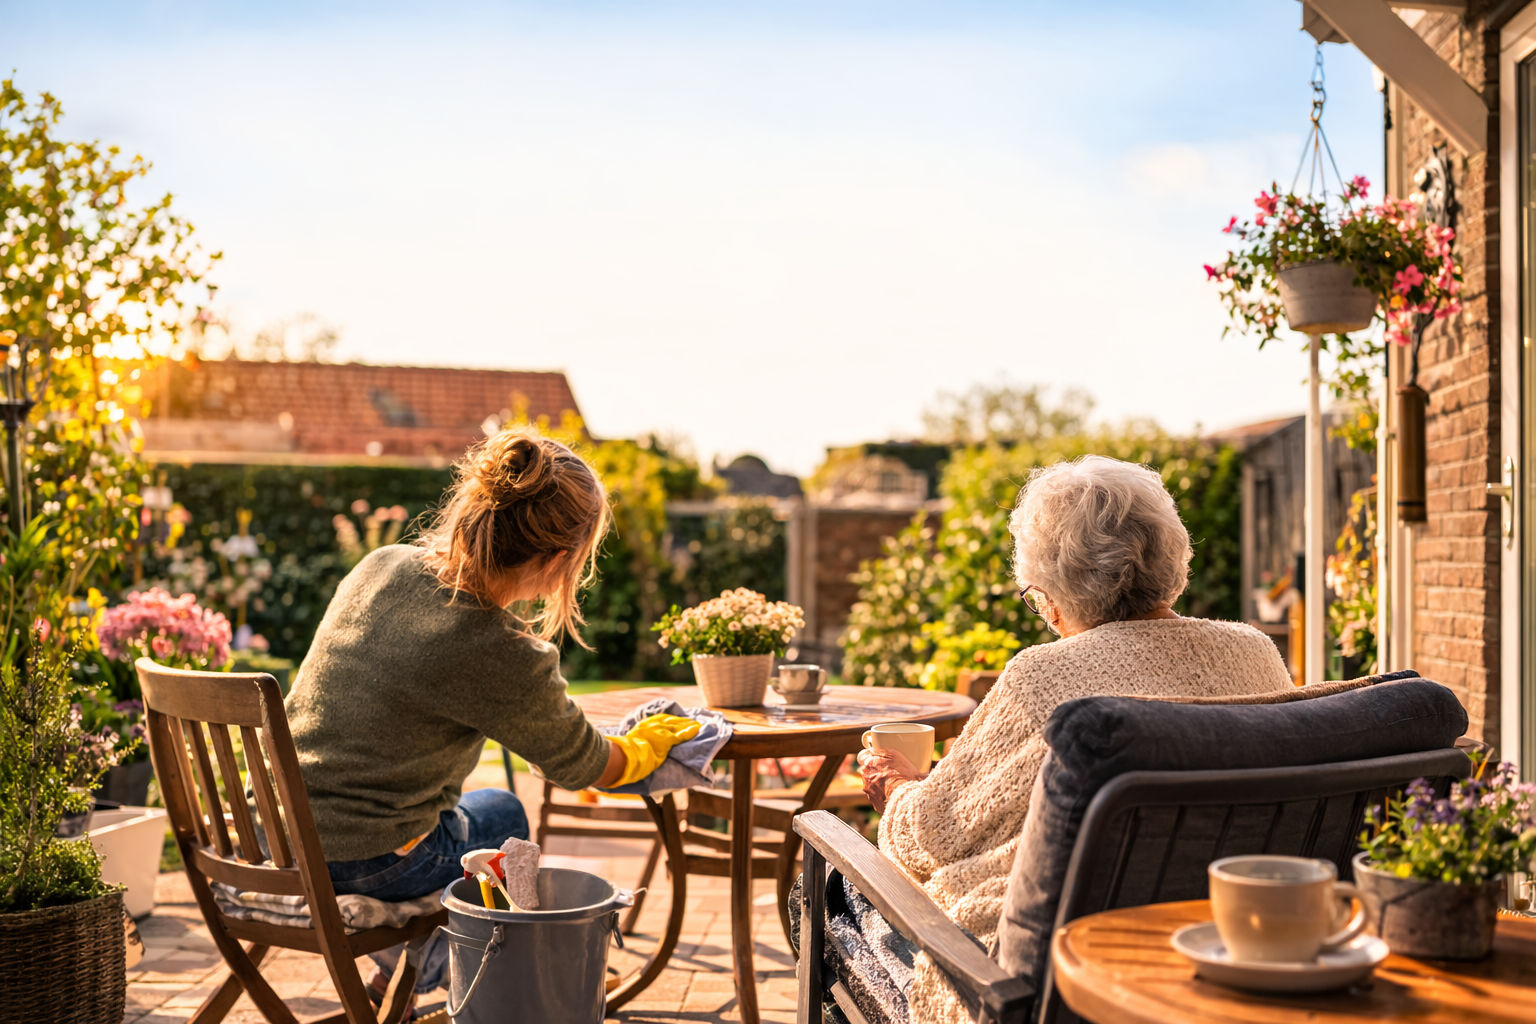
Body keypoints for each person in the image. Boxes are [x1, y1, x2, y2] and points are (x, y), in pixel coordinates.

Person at [809, 455, 1293, 1024]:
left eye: (1036, 597)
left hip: (1033, 982)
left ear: (1053, 590)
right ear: (1172, 555)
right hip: (1215, 947)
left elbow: (933, 837)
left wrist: (897, 790)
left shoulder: (1046, 677)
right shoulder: (1255, 652)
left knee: (822, 894)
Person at [284, 427, 697, 1008]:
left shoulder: (382, 566)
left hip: (272, 838)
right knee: (502, 813)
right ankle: (456, 969)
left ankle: (409, 973)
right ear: (558, 561)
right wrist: (646, 745)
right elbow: (583, 765)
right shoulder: (495, 648)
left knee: (470, 812)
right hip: (365, 862)